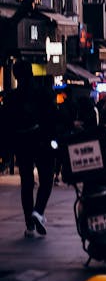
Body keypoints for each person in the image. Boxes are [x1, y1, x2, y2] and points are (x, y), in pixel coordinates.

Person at [0, 59, 59, 237]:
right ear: (31, 73)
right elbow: (53, 118)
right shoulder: (43, 93)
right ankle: (38, 211)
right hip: (41, 141)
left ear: (16, 75)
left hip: (22, 143)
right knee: (46, 179)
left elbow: (5, 125)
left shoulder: (11, 98)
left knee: (26, 183)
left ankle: (29, 225)